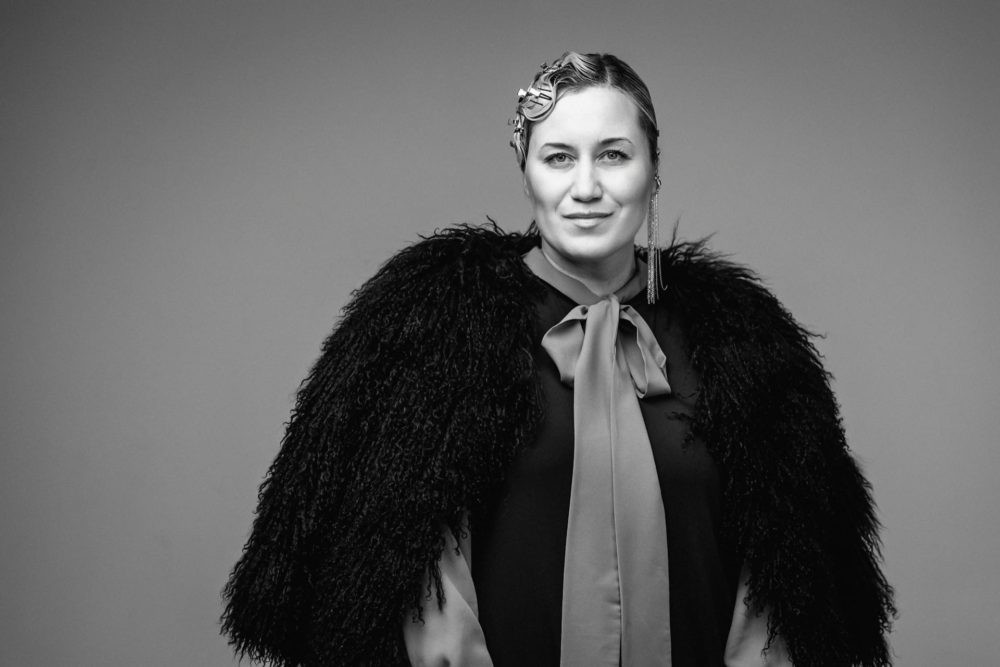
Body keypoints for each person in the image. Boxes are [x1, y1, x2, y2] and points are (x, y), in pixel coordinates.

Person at [221, 52, 895, 666]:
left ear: (653, 169)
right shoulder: (436, 335)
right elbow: (410, 574)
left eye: (613, 155)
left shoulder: (744, 345)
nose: (586, 187)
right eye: (559, 157)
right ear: (527, 173)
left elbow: (783, 581)